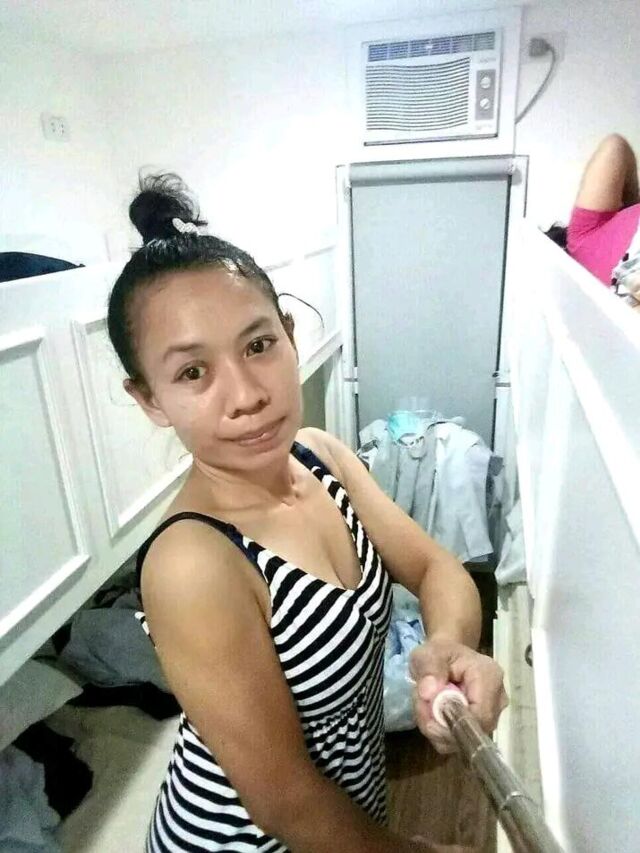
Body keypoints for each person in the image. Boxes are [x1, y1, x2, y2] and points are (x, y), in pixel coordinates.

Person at [107, 174, 508, 853]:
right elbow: (285, 803)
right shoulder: (190, 562)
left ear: (289, 336)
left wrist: (450, 645)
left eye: (258, 345)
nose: (246, 395)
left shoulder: (321, 456)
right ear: (149, 398)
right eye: (193, 373)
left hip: (351, 814)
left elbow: (437, 568)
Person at [551, 134, 640, 309]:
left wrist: (631, 208)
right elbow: (614, 147)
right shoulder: (581, 238)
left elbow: (614, 148)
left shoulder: (581, 239)